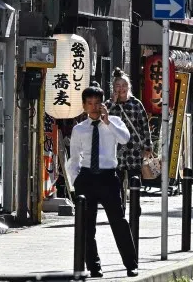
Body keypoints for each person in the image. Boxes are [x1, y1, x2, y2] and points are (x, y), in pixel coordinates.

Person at [67, 86, 139, 278]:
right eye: (89, 104)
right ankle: (94, 266)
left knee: (119, 222)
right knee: (87, 226)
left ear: (103, 104)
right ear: (83, 106)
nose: (93, 107)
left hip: (108, 177)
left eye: (97, 103)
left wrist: (107, 122)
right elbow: (73, 159)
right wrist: (76, 182)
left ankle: (131, 264)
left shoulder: (114, 122)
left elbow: (125, 139)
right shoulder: (79, 129)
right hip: (87, 177)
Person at [105, 68, 153, 214]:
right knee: (116, 179)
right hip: (116, 148)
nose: (121, 89)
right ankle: (119, 207)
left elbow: (144, 125)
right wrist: (113, 102)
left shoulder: (136, 104)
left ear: (129, 87)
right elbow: (102, 120)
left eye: (124, 85)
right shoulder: (108, 105)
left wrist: (147, 145)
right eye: (118, 86)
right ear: (113, 88)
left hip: (134, 148)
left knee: (134, 177)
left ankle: (135, 204)